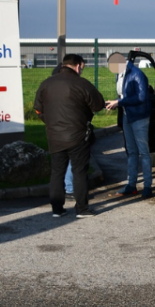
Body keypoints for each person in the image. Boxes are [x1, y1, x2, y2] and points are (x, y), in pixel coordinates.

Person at [33, 54, 106, 218]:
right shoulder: (82, 84)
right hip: (77, 135)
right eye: (82, 68)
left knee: (57, 172)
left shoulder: (46, 84)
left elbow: (38, 109)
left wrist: (49, 121)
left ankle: (57, 209)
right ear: (78, 66)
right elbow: (98, 104)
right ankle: (82, 209)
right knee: (79, 171)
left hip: (54, 135)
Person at [105, 59, 153, 198]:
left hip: (139, 117)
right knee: (131, 151)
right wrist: (115, 103)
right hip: (127, 115)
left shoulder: (137, 74)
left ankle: (147, 186)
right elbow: (123, 95)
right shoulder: (120, 74)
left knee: (143, 152)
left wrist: (119, 102)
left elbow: (141, 96)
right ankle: (131, 184)